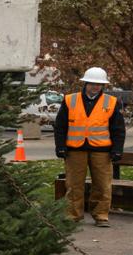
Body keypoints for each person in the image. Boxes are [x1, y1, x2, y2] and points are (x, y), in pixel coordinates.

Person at [53, 67, 126, 227]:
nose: (95, 87)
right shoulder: (70, 100)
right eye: (92, 83)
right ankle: (73, 216)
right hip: (74, 150)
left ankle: (101, 216)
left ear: (103, 86)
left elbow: (118, 129)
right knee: (73, 185)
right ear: (85, 83)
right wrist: (60, 146)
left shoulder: (112, 102)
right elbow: (60, 126)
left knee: (102, 184)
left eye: (99, 84)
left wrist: (117, 150)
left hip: (102, 150)